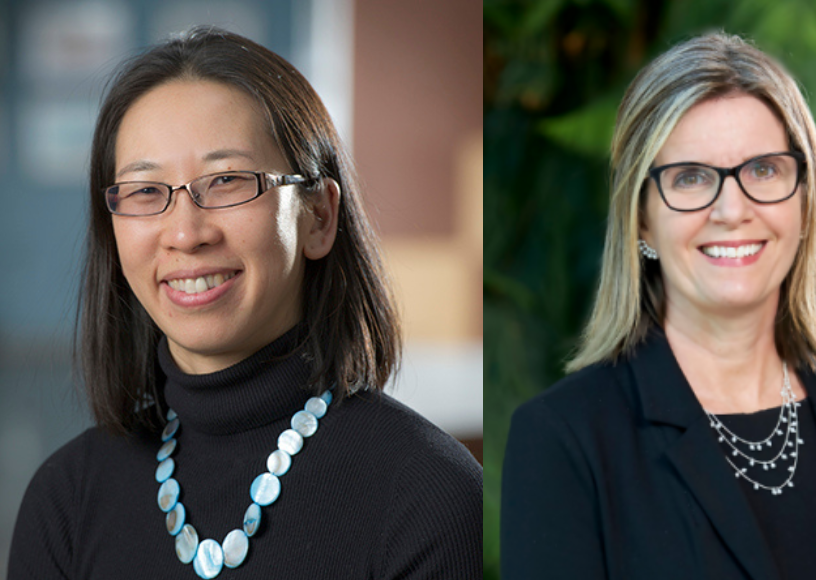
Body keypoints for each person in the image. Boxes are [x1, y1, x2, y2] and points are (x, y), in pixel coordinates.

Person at [8, 27, 481, 579]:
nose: (185, 233)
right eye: (144, 191)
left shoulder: (430, 495)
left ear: (319, 218)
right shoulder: (66, 501)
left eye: (228, 180)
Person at [500, 33, 816, 580]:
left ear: (806, 203)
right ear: (641, 219)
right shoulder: (565, 439)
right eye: (691, 178)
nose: (731, 209)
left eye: (763, 170)